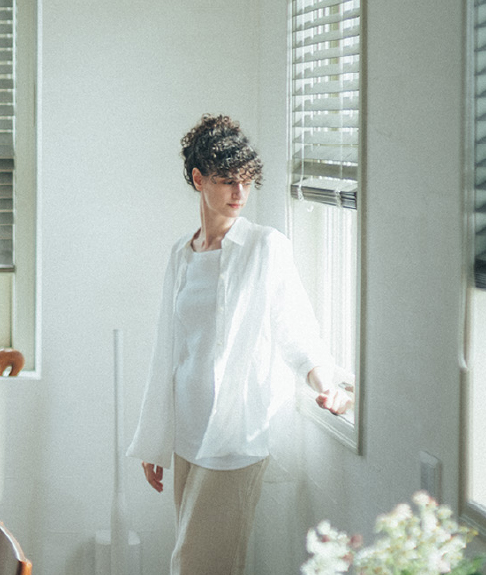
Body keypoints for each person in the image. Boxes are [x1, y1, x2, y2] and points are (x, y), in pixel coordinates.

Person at [125, 114, 355, 575]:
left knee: (194, 565)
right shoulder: (180, 255)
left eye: (246, 182)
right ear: (198, 179)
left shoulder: (265, 247)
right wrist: (156, 440)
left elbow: (297, 331)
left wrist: (326, 383)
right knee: (207, 566)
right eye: (228, 181)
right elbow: (166, 353)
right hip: (188, 436)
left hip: (235, 437)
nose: (239, 194)